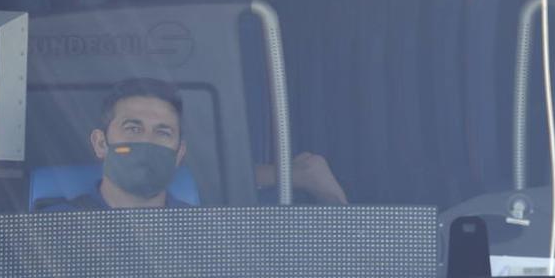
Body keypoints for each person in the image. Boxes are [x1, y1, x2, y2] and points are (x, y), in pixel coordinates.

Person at [43, 77, 347, 210]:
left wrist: (331, 196)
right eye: (133, 129)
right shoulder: (53, 227)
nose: (147, 142)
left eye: (163, 133)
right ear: (100, 143)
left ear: (180, 153)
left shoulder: (201, 234)